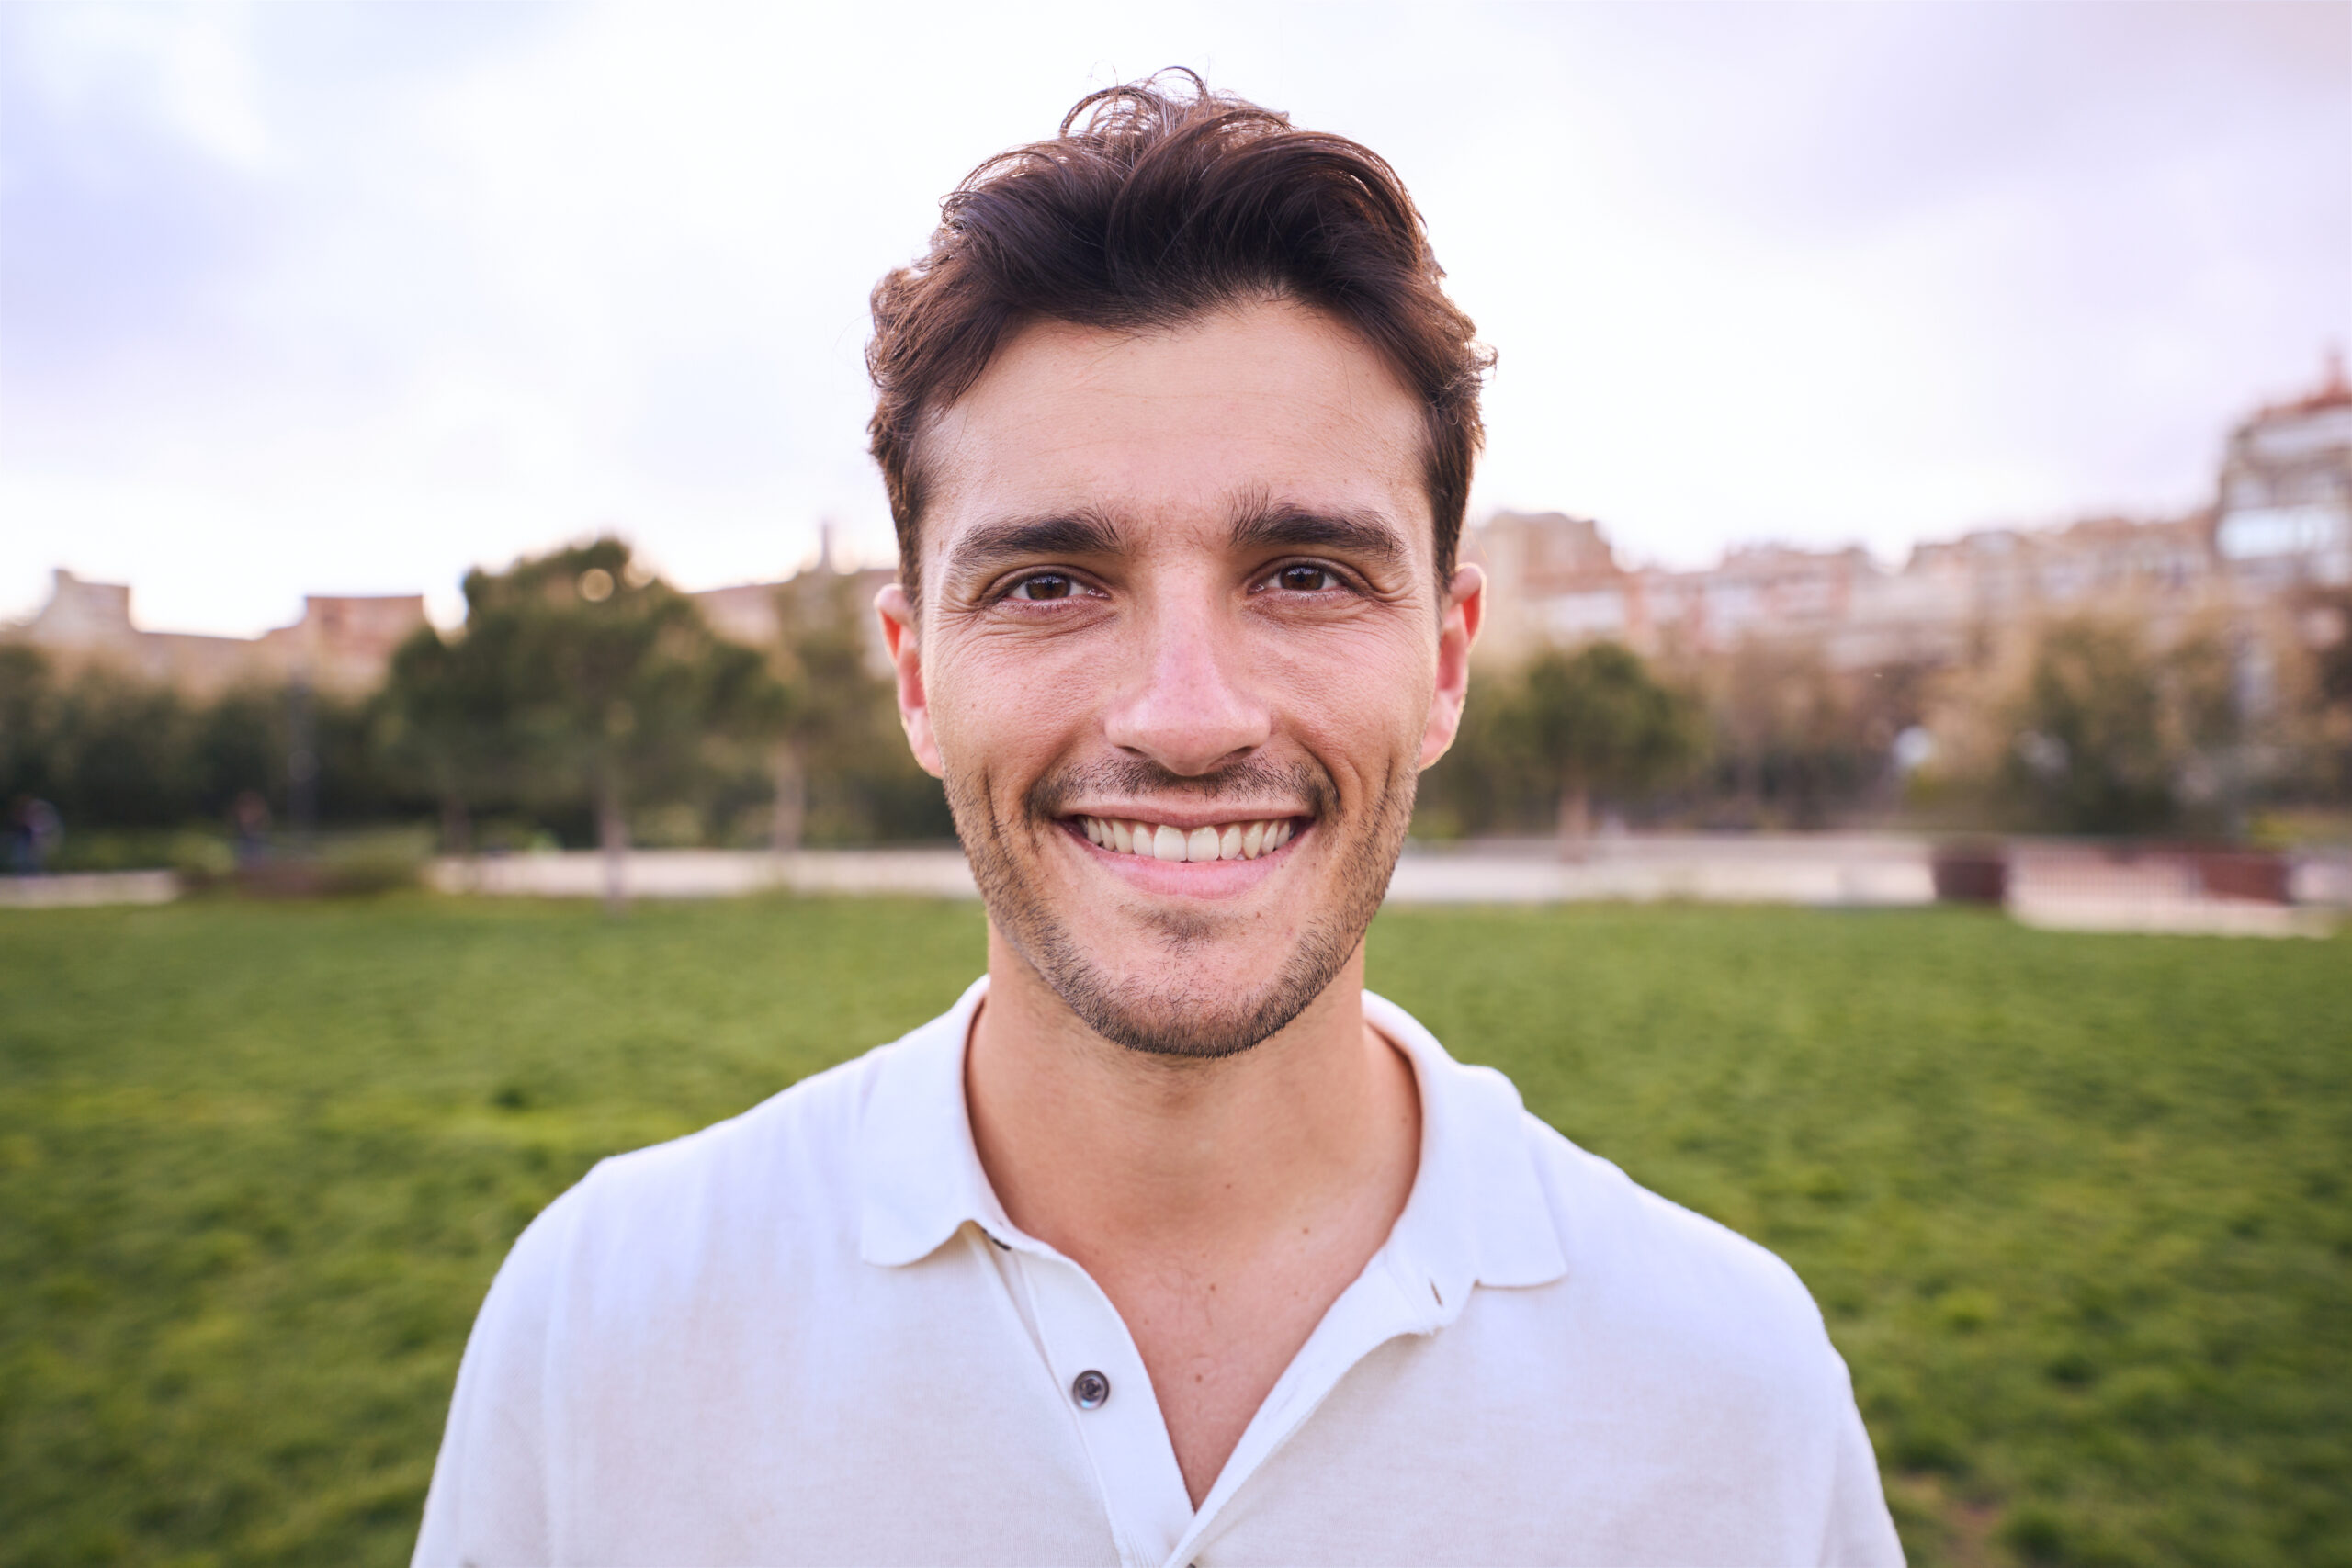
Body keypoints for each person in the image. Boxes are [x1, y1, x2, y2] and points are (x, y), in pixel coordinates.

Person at [415, 74, 1903, 1567]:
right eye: (1049, 584)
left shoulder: (1736, 1398)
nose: (1187, 718)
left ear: (1446, 664)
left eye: (1305, 575)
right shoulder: (600, 1325)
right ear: (917, 677)